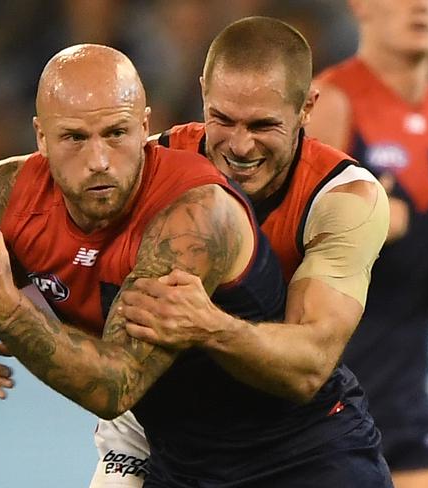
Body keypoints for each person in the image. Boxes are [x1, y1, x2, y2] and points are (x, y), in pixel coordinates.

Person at [0, 43, 392, 486]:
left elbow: (115, 384)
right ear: (41, 138)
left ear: (143, 129)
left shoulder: (194, 218)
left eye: (117, 134)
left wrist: (3, 308)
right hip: (180, 462)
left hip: (302, 458)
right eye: (75, 138)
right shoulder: (4, 194)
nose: (99, 160)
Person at [86, 16, 394, 487]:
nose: (240, 145)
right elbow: (38, 186)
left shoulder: (344, 199)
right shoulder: (150, 167)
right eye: (223, 119)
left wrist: (209, 326)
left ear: (307, 106)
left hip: (303, 450)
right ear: (202, 91)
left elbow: (310, 365)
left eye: (263, 125)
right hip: (178, 445)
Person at [307, 1, 428, 487]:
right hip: (326, 406)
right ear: (360, 5)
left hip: (407, 407)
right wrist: (365, 220)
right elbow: (279, 244)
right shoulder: (330, 102)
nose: (421, 6)